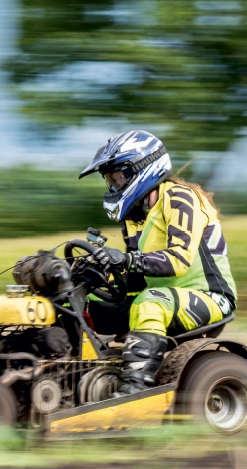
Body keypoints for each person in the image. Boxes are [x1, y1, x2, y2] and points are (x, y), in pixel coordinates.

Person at [78, 130, 237, 395]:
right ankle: (70, 379)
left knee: (148, 303)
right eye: (110, 179)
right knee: (79, 304)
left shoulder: (180, 198)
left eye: (119, 176)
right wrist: (97, 277)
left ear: (144, 167)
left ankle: (133, 391)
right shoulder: (133, 217)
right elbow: (136, 278)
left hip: (210, 297)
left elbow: (178, 260)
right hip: (160, 296)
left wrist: (126, 259)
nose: (114, 185)